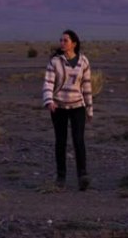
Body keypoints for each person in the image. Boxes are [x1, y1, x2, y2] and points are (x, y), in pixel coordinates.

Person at [42, 29, 93, 191]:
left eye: (65, 40)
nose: (62, 43)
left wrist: (89, 109)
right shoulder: (55, 62)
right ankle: (61, 176)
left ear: (74, 43)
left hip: (78, 106)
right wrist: (49, 100)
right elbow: (48, 83)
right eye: (61, 40)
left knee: (78, 140)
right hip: (58, 107)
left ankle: (82, 176)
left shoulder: (83, 61)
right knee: (61, 141)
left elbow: (87, 86)